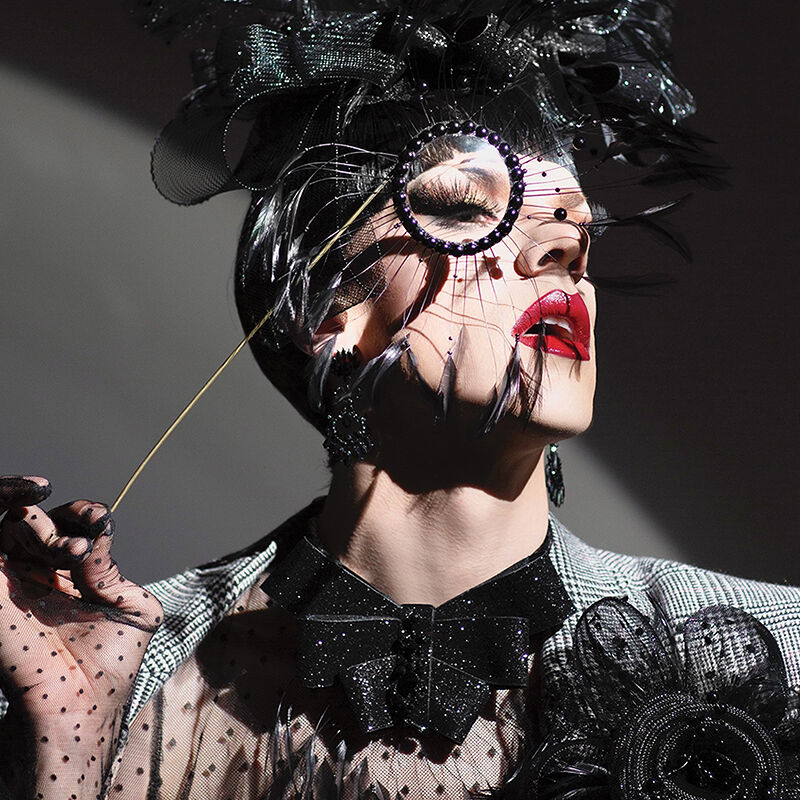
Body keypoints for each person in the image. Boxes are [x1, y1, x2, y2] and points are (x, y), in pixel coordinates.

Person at [1, 1, 799, 798]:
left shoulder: (778, 652)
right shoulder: (134, 670)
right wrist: (69, 744)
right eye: (462, 208)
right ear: (322, 311)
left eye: (573, 230)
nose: (563, 251)